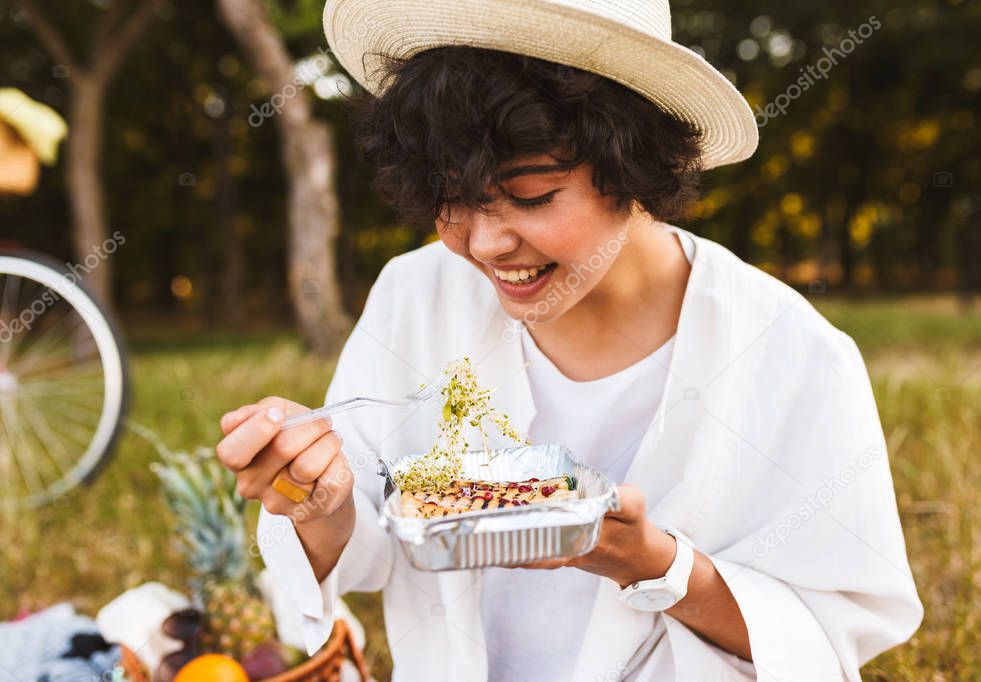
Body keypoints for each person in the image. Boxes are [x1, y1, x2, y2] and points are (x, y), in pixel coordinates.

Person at [214, 1, 923, 679]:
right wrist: (320, 498)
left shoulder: (790, 353)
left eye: (531, 197)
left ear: (633, 166)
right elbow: (368, 548)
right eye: (452, 199)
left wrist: (651, 563)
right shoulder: (417, 295)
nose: (487, 243)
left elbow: (829, 636)